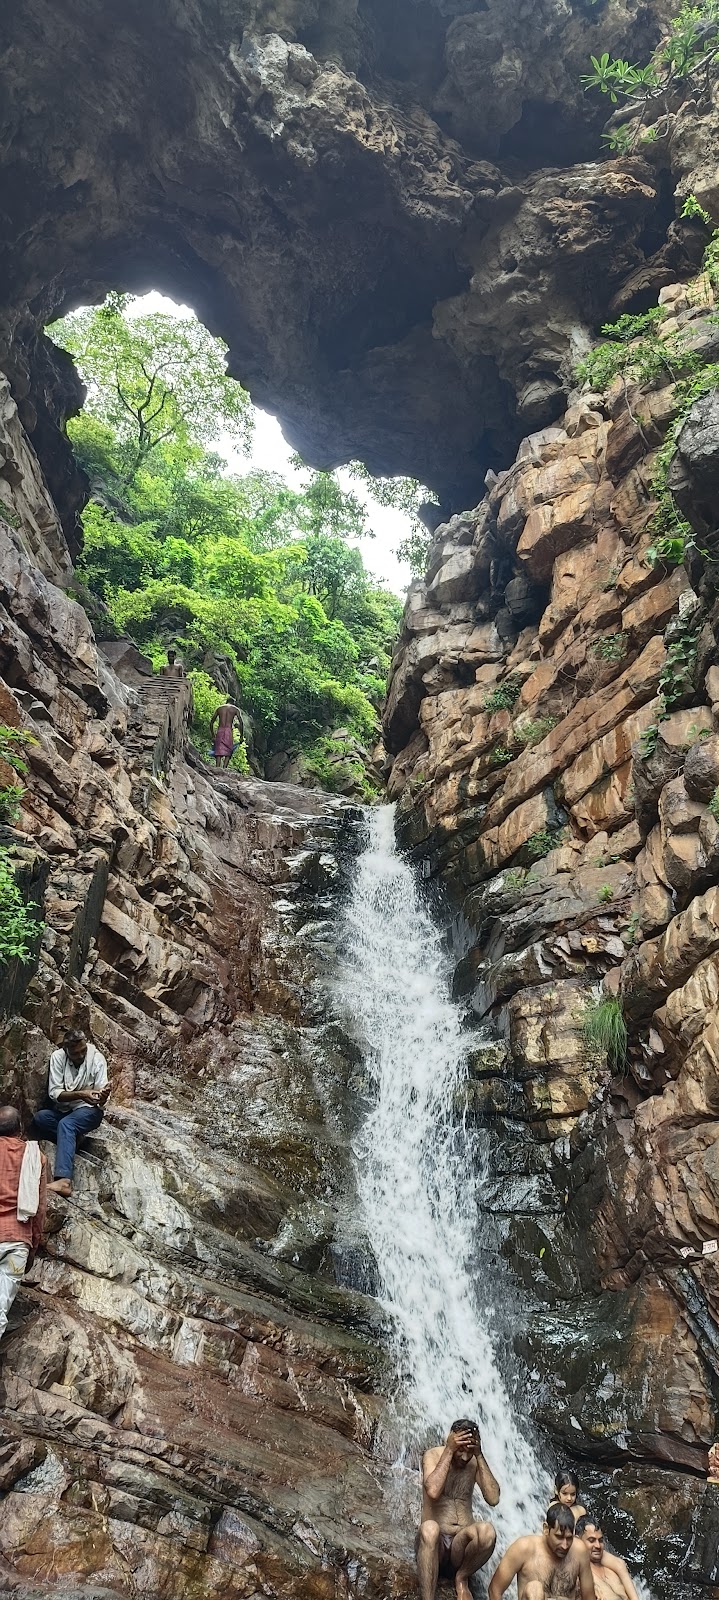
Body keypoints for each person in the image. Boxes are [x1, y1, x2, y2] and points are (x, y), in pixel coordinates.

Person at [417, 1419, 500, 1600]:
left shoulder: (474, 1462)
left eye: (469, 1451)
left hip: (460, 1548)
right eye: (461, 1449)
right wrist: (449, 1450)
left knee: (488, 1532)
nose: (464, 1457)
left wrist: (478, 1455)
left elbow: (493, 1498)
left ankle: (461, 1578)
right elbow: (432, 1490)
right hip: (435, 1546)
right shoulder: (433, 1455)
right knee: (429, 1529)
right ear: (451, 1439)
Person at [29, 1028, 110, 1196]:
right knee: (41, 1118)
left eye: (83, 1051)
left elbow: (101, 1095)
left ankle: (64, 1180)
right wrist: (82, 1093)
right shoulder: (58, 1058)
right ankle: (73, 1139)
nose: (80, 1056)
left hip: (89, 1111)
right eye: (75, 1053)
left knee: (67, 1124)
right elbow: (55, 1093)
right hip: (65, 1109)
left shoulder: (97, 1059)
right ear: (67, 1050)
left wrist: (101, 1096)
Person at [0, 1105, 46, 1342]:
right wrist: (33, 1247)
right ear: (20, 1129)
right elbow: (39, 1211)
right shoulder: (35, 1156)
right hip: (17, 1242)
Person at [488, 1504, 595, 1600]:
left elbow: (589, 1596)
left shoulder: (579, 1550)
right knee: (534, 1588)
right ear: (546, 1529)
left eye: (569, 1538)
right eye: (558, 1537)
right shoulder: (523, 1548)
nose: (565, 1545)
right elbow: (495, 1590)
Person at [575, 1517, 640, 1600]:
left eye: (600, 1540)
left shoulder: (614, 1567)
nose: (598, 1546)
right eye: (591, 1540)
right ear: (578, 1540)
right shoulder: (576, 1574)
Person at [209, 701, 243, 768]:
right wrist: (241, 736)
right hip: (229, 731)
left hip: (220, 730)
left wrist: (213, 735)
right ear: (233, 703)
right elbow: (241, 723)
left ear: (226, 701)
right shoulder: (235, 709)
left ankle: (217, 767)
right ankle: (225, 768)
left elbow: (211, 722)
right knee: (229, 750)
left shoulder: (219, 708)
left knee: (218, 750)